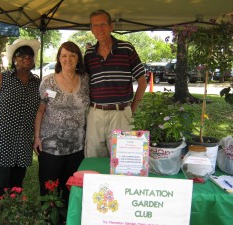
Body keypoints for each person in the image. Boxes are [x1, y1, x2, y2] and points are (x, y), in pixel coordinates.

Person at [0, 38, 41, 211]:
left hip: (22, 145)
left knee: (16, 188)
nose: (26, 58)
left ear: (34, 59)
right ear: (14, 59)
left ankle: (12, 218)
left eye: (29, 55)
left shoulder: (37, 84)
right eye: (21, 55)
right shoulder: (2, 78)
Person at [33, 41, 90, 214]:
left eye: (72, 55)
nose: (68, 59)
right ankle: (48, 219)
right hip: (51, 147)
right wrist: (36, 138)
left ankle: (68, 219)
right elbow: (40, 111)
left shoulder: (86, 80)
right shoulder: (48, 82)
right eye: (64, 55)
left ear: (78, 58)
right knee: (49, 190)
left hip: (77, 147)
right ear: (59, 58)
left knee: (71, 189)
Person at [84, 9, 147, 157]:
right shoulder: (88, 54)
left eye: (103, 24)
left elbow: (142, 82)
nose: (99, 29)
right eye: (95, 25)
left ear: (111, 26)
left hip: (121, 113)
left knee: (122, 160)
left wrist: (132, 109)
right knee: (94, 158)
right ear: (91, 29)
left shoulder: (126, 49)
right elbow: (84, 84)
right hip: (95, 114)